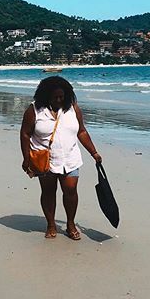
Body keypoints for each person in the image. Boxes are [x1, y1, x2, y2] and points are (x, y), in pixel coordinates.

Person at [20, 76, 102, 241]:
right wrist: (26, 158)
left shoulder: (73, 109)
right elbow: (25, 133)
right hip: (45, 159)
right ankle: (51, 224)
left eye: (62, 97)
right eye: (55, 97)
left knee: (71, 191)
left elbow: (82, 132)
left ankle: (70, 224)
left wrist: (94, 152)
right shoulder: (34, 110)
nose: (59, 100)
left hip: (70, 158)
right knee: (49, 192)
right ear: (45, 96)